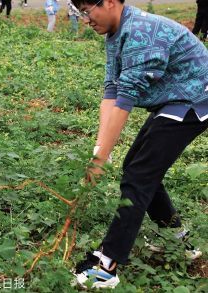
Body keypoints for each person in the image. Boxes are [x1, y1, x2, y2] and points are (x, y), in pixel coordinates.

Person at [70, 0, 208, 289]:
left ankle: (107, 265)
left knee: (138, 176)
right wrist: (99, 151)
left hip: (195, 99)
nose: (86, 19)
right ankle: (177, 240)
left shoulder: (141, 32)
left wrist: (99, 159)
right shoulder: (114, 33)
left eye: (86, 10)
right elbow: (112, 90)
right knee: (137, 168)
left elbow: (125, 100)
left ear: (108, 2)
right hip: (173, 98)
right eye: (80, 13)